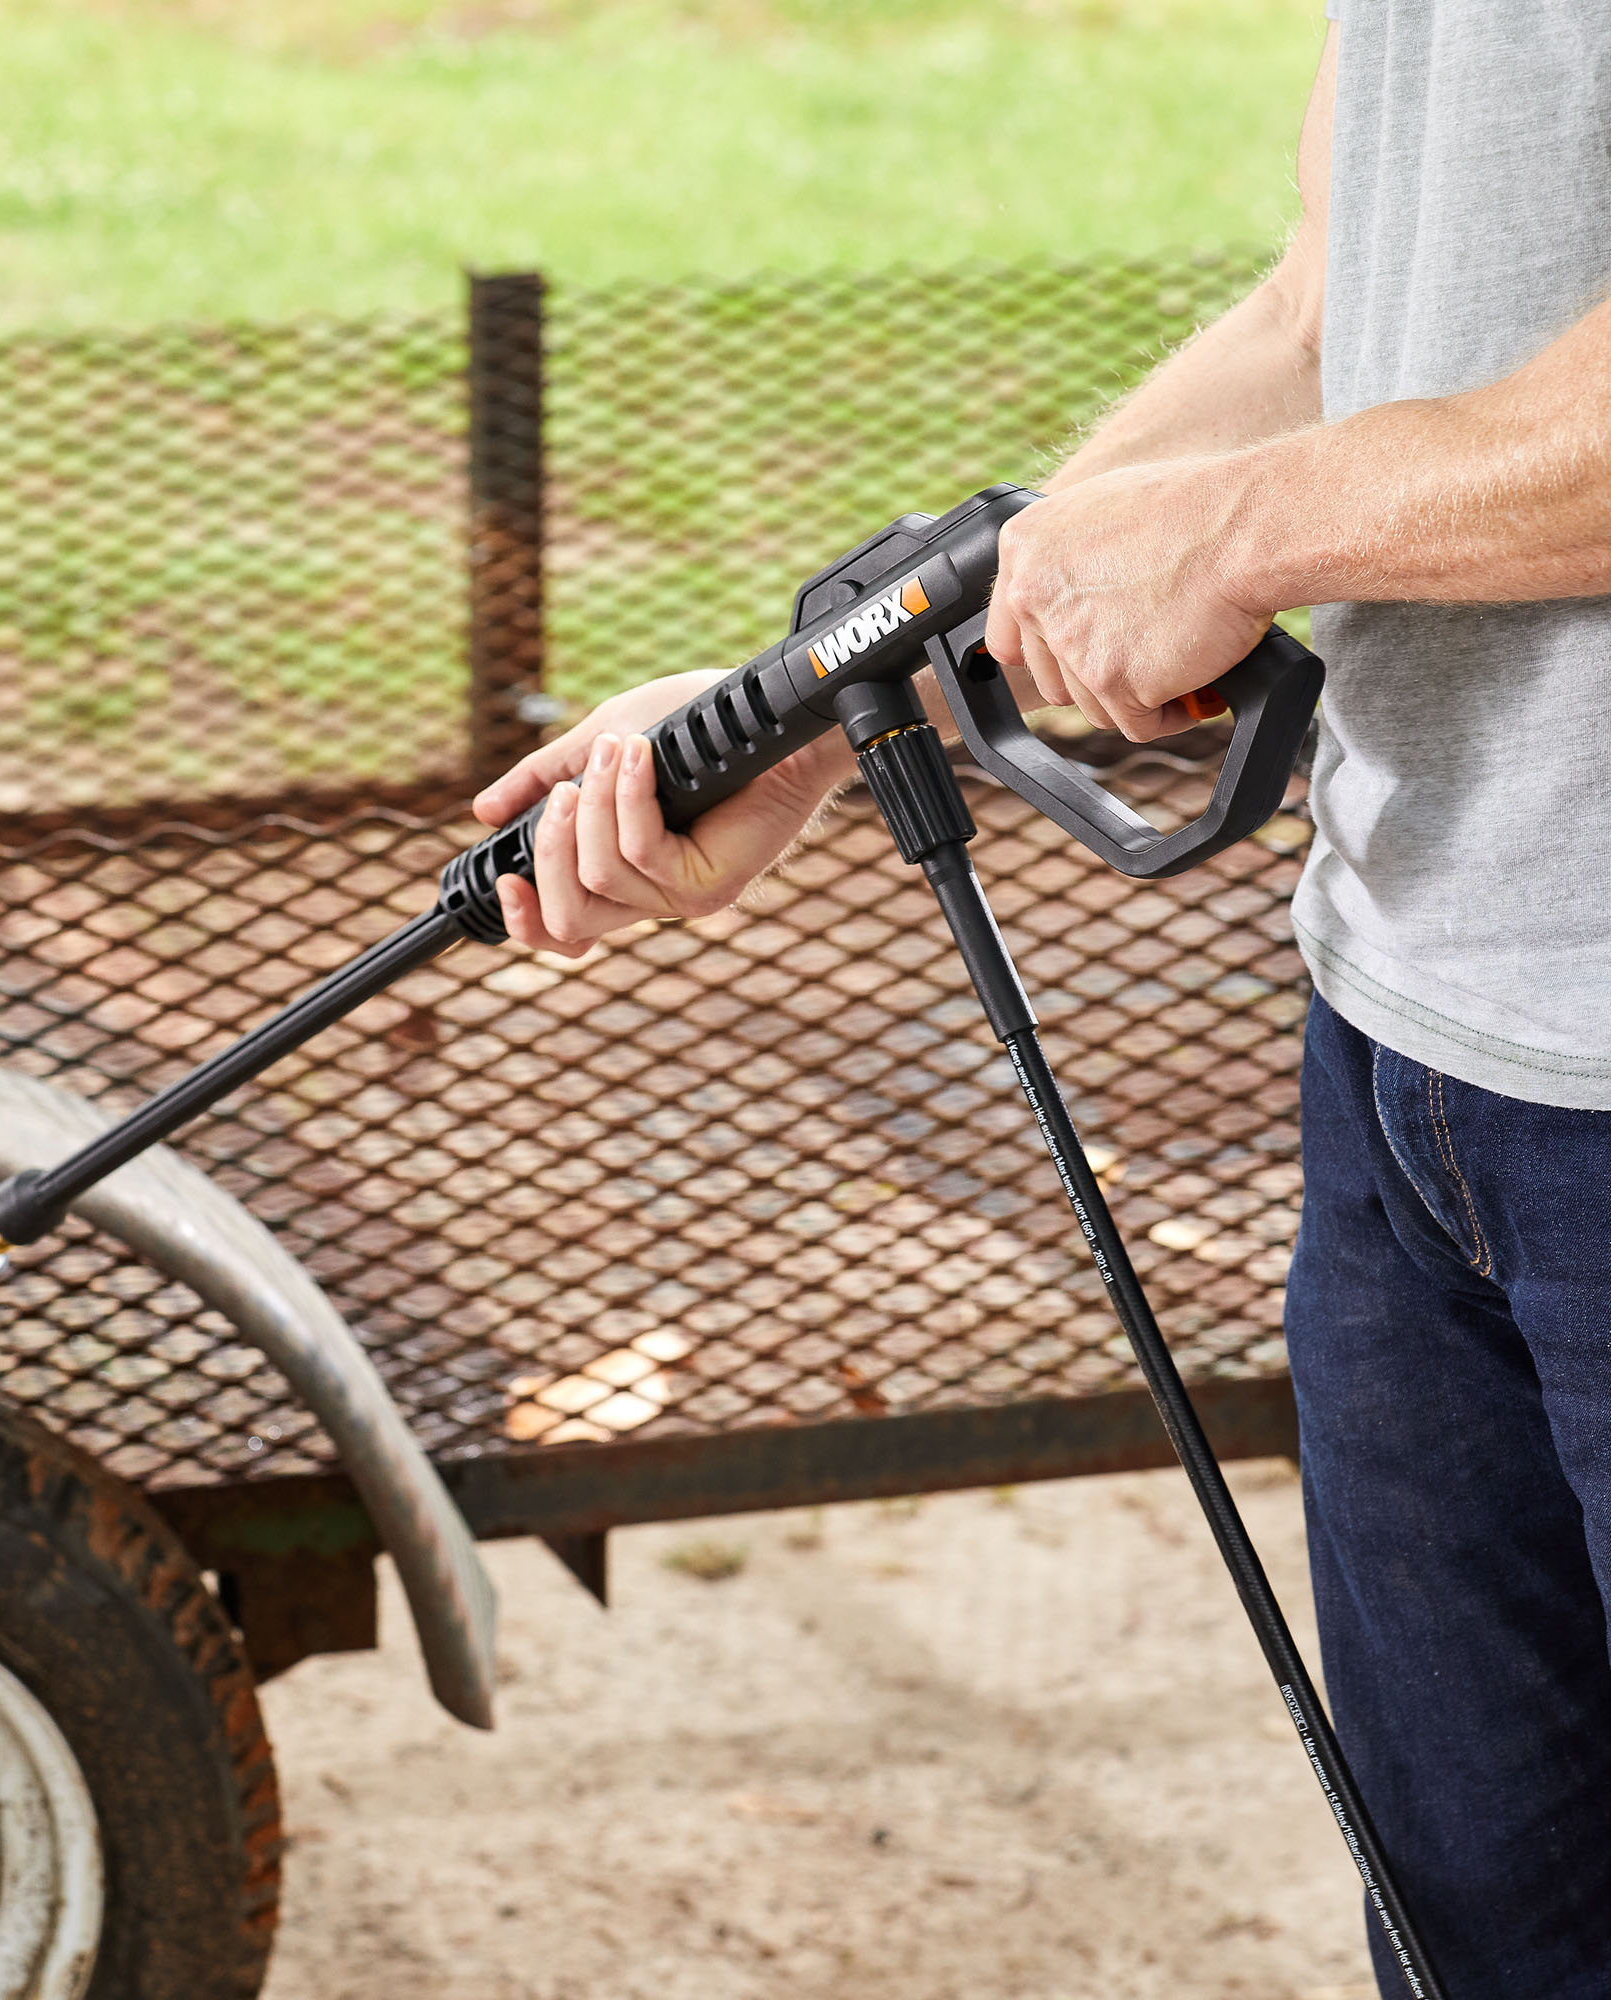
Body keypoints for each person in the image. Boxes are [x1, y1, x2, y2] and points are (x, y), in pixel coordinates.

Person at [472, 8, 1611, 1995]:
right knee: (1483, 1935)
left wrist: (1243, 530)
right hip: (1406, 1045)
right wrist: (833, 699)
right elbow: (1328, 310)